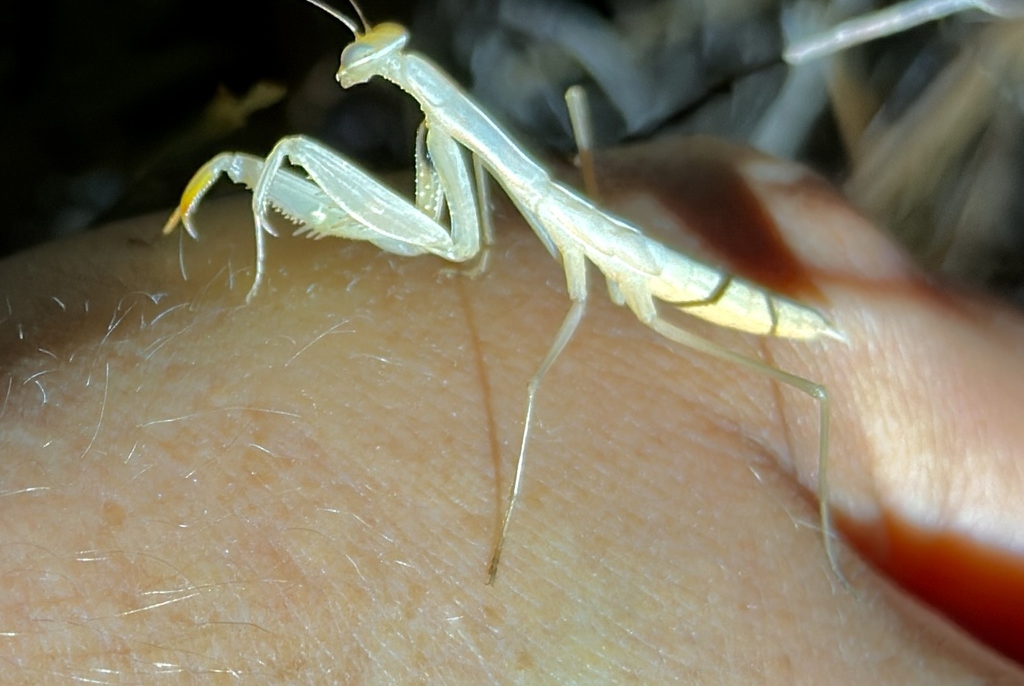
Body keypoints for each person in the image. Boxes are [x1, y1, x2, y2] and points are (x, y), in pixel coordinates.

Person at [0, 139, 1019, 680]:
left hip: (684, 288)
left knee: (784, 377)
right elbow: (461, 241)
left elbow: (471, 248)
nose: (362, 71)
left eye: (375, 59)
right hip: (618, 257)